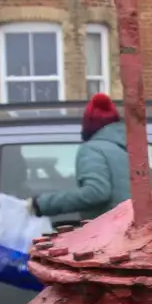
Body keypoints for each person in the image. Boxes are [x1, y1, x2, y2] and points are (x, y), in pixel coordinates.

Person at [30, 92, 130, 222]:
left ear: (88, 124)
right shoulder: (125, 149)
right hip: (129, 229)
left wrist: (41, 205)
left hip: (109, 230)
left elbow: (96, 192)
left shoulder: (92, 149)